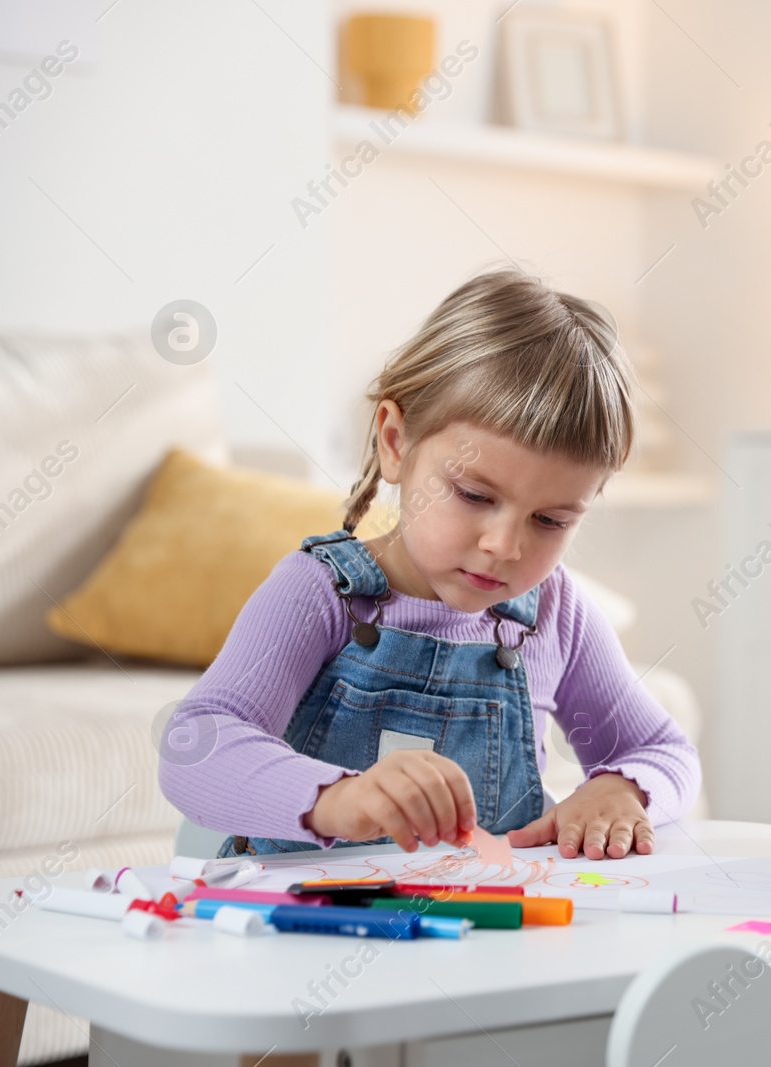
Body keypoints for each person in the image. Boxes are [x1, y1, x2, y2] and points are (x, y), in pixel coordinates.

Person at [158, 267, 701, 863]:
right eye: (473, 495)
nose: (504, 545)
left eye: (550, 521)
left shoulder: (555, 614)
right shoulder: (323, 594)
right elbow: (196, 747)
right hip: (302, 934)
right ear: (394, 443)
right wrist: (338, 800)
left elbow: (666, 752)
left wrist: (619, 788)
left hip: (488, 935)